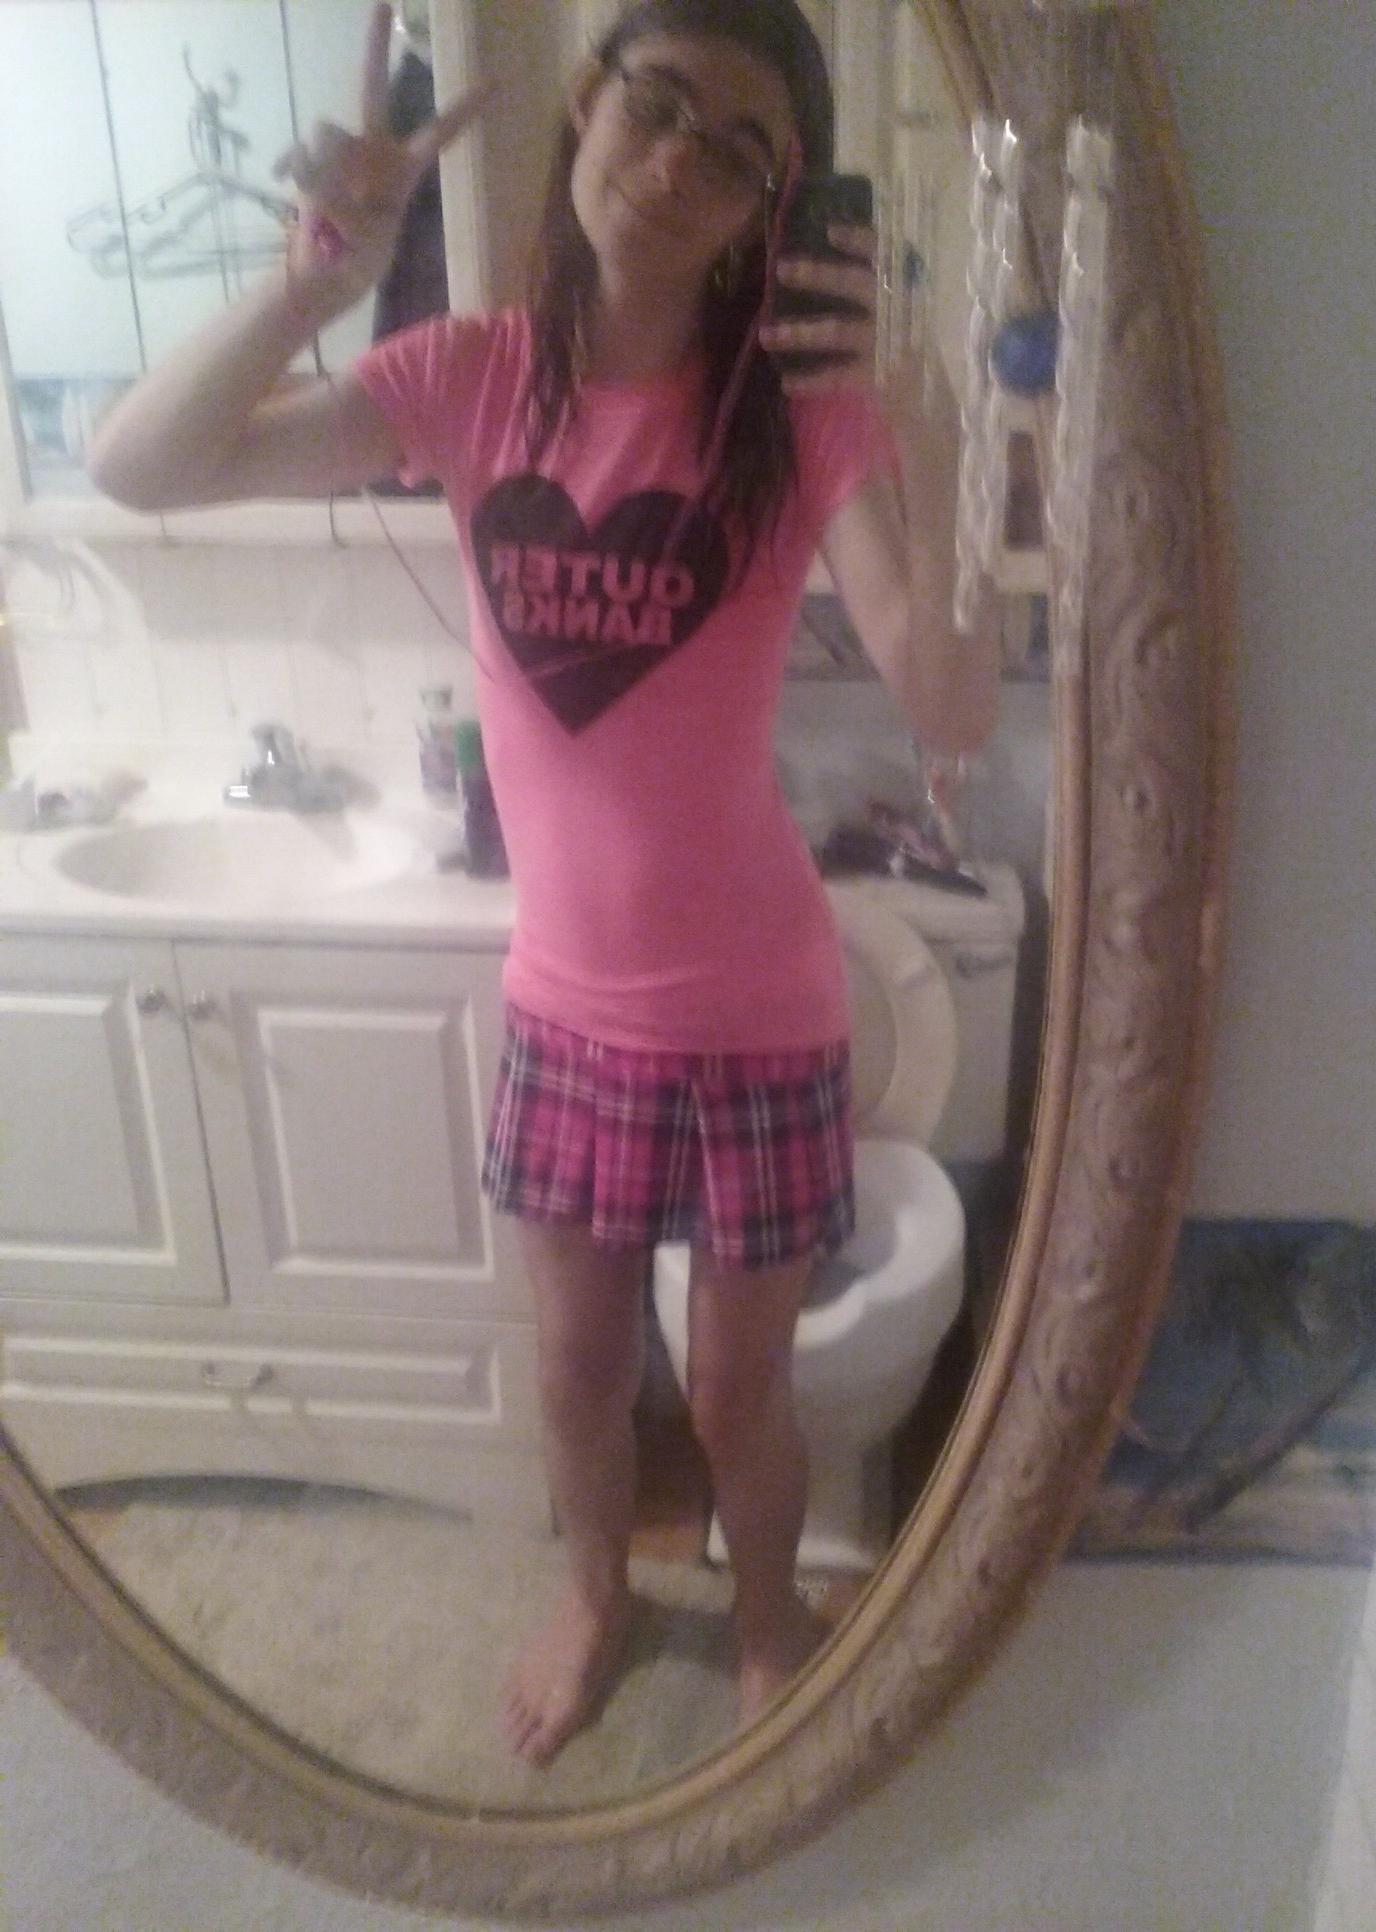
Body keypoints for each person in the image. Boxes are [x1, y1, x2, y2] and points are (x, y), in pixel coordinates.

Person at [87, 0, 1000, 1768]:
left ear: (772, 208)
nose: (676, 163)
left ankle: (767, 1614)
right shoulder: (471, 378)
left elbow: (953, 703)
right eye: (656, 103)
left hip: (759, 1012)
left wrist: (917, 420)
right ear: (585, 105)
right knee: (577, 1372)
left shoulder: (793, 419)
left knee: (735, 1388)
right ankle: (595, 1597)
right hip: (567, 1010)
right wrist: (312, 280)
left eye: (738, 148)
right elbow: (141, 469)